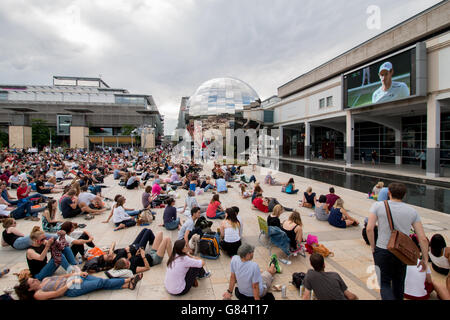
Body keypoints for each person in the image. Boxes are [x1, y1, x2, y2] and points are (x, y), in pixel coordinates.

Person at [366, 182, 429, 300]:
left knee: (384, 284)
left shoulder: (378, 206)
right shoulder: (412, 211)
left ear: (388, 193)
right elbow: (423, 239)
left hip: (382, 250)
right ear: (404, 195)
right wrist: (424, 259)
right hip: (401, 251)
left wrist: (373, 247)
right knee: (399, 284)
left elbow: (369, 228)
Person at [14, 271, 143, 300]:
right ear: (30, 288)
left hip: (74, 280)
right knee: (100, 283)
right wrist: (71, 283)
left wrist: (77, 273)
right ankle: (127, 280)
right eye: (33, 282)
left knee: (100, 282)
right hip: (71, 289)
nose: (35, 280)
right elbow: (56, 293)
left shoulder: (45, 279)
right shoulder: (38, 294)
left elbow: (63, 276)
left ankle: (127, 285)